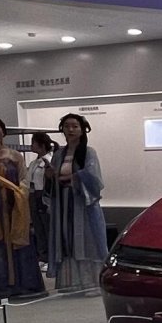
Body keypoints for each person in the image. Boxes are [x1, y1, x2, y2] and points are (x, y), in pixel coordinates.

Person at [0, 116, 46, 299]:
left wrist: (18, 193)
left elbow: (24, 180)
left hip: (14, 209)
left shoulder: (15, 156)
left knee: (15, 243)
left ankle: (22, 285)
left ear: (3, 132)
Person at [47, 113, 108, 292]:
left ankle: (91, 283)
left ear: (82, 130)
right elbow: (53, 179)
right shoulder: (58, 154)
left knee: (88, 240)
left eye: (75, 126)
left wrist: (71, 178)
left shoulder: (89, 152)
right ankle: (70, 283)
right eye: (67, 126)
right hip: (63, 205)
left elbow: (94, 178)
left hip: (83, 205)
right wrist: (51, 177)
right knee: (66, 240)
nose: (71, 129)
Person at [25, 131, 56, 269]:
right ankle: (42, 255)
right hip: (32, 195)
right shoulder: (34, 162)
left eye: (33, 143)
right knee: (38, 227)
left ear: (41, 145)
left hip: (43, 195)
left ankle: (51, 257)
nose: (31, 146)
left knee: (47, 226)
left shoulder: (50, 160)